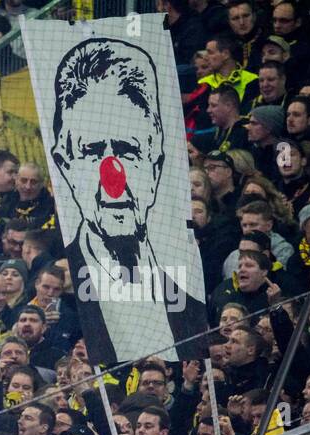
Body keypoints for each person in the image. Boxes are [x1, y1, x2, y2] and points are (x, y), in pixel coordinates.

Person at [50, 38, 205, 366]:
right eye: (92, 152)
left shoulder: (191, 308)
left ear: (156, 163)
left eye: (127, 150)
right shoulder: (63, 305)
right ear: (65, 165)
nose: (112, 177)